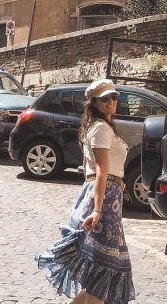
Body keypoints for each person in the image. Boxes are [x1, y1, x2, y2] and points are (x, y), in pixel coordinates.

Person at [37, 79, 135, 304]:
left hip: (108, 197)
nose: (111, 102)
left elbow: (90, 171)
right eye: (105, 99)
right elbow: (101, 170)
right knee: (100, 272)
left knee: (98, 274)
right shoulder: (100, 128)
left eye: (114, 97)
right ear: (94, 103)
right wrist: (98, 209)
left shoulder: (101, 127)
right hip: (105, 201)